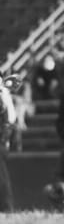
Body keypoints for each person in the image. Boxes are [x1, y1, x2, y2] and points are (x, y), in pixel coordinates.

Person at [0, 73, 17, 211]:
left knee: (1, 176)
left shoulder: (2, 92)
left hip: (1, 138)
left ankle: (7, 208)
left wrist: (5, 139)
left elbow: (10, 119)